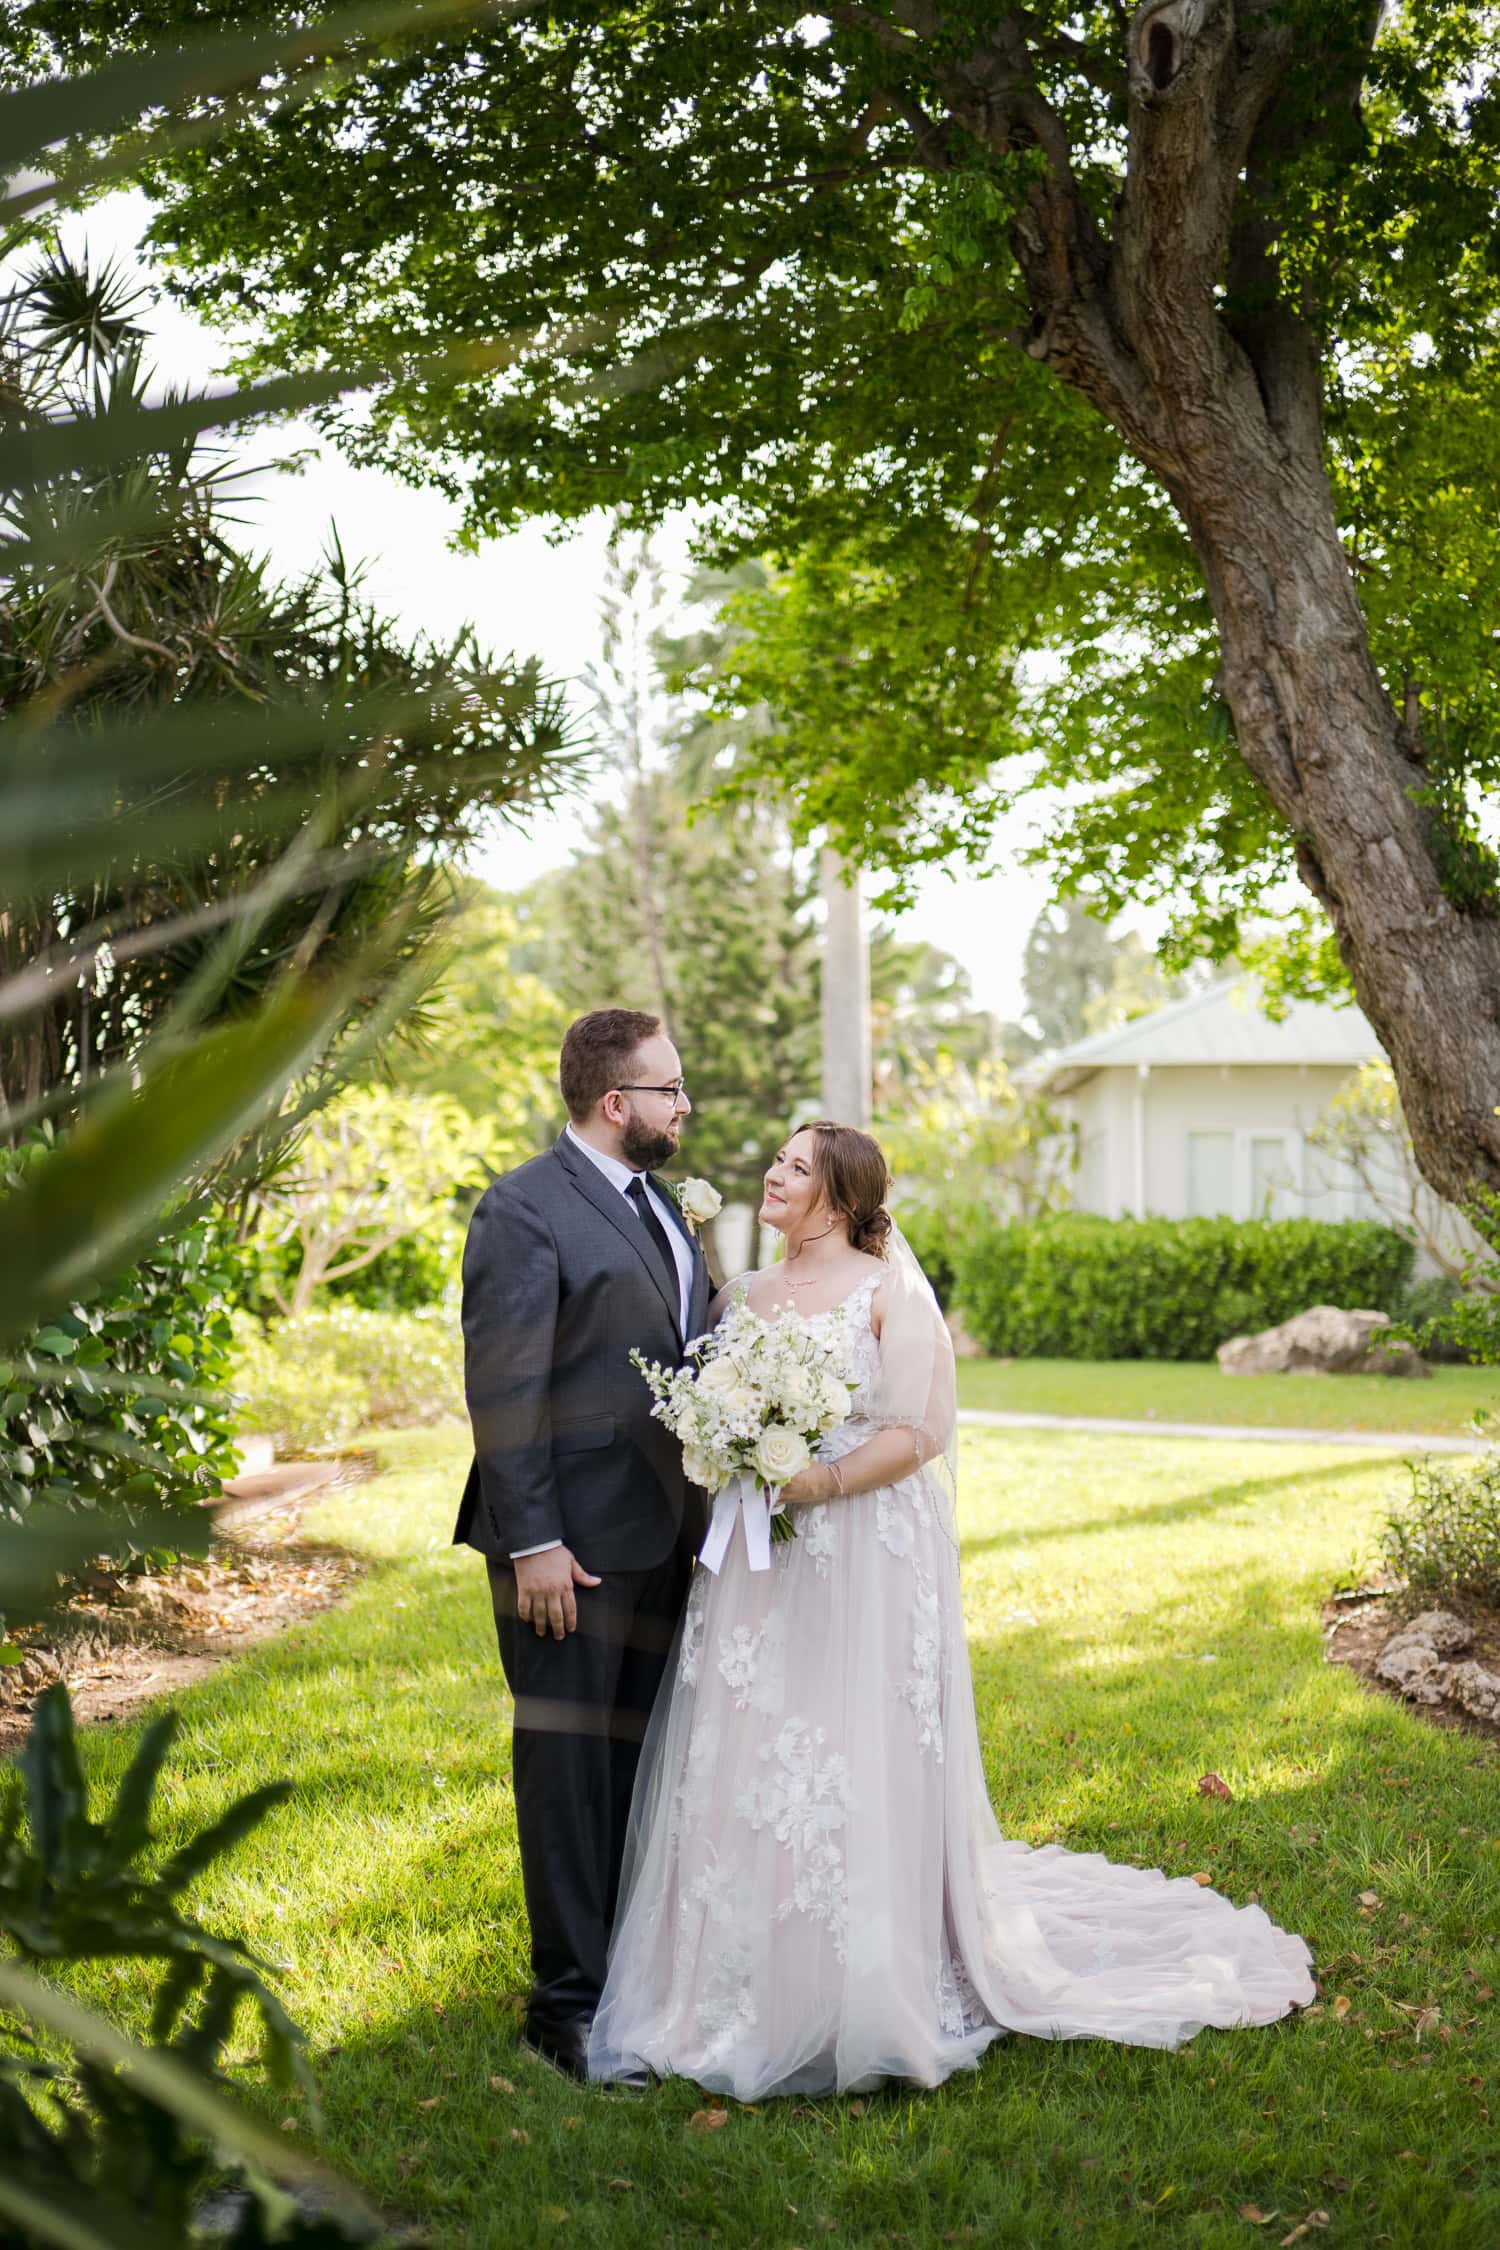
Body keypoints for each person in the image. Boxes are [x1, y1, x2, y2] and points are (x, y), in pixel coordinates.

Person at [588, 1119, 1315, 2097]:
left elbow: (924, 1429)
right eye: (778, 1160)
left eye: (796, 1168)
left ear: (840, 1200)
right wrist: (734, 1452)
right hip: (762, 1561)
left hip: (862, 1550)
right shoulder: (746, 1295)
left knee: (854, 1741)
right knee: (757, 1739)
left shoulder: (889, 1291)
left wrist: (821, 1481)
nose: (773, 1174)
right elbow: (716, 1405)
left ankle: (871, 1976)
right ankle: (732, 1980)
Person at [455, 1009, 711, 2082]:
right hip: (568, 1549)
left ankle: (630, 1977)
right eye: (670, 1090)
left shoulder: (664, 1207)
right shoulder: (523, 1210)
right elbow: (502, 1387)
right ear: (618, 1104)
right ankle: (565, 2011)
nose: (683, 1107)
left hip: (666, 1536)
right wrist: (536, 1543)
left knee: (637, 1767)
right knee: (566, 1772)